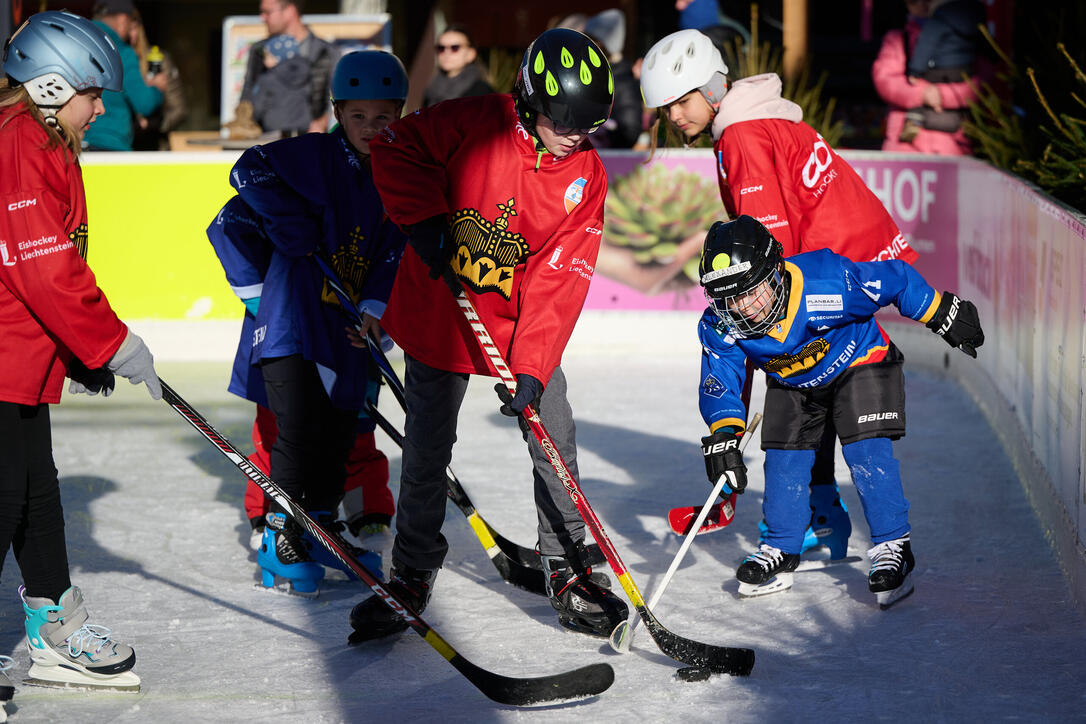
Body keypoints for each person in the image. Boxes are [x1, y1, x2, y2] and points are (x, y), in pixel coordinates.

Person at [348, 27, 629, 642]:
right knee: (426, 449)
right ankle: (414, 570)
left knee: (553, 430)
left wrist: (531, 365)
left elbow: (560, 278)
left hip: (518, 323)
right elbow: (394, 147)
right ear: (532, 102)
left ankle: (566, 562)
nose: (577, 137)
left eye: (588, 126)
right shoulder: (473, 122)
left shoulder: (586, 177)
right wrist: (426, 222)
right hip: (441, 314)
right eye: (564, 122)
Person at [640, 28, 921, 559]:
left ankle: (865, 531)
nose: (675, 116)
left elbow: (773, 248)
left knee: (811, 387)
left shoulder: (742, 136)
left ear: (710, 87)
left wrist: (778, 331)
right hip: (852, 262)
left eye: (681, 100)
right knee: (808, 387)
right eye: (665, 107)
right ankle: (828, 520)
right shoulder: (753, 120)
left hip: (843, 276)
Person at [696, 216, 983, 607]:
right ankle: (781, 547)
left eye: (751, 292)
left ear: (775, 274)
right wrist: (723, 434)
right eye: (728, 297)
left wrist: (941, 313)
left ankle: (893, 547)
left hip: (860, 361)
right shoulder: (720, 324)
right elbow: (720, 379)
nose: (742, 307)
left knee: (866, 453)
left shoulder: (827, 283)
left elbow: (896, 279)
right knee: (782, 461)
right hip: (793, 381)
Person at [0, 10, 163, 692]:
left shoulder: (46, 145)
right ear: (46, 88)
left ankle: (55, 628)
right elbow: (46, 268)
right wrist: (109, 341)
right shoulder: (21, 149)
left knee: (37, 494)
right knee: (7, 495)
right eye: (92, 94)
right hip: (4, 357)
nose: (101, 108)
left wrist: (78, 352)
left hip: (24, 358)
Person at [208, 50, 408, 595]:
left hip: (344, 331)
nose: (371, 128)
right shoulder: (314, 156)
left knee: (339, 434)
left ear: (399, 115)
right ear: (339, 112)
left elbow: (393, 255)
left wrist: (372, 315)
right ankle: (281, 542)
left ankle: (318, 530)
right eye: (359, 116)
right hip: (292, 325)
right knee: (296, 437)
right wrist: (283, 220)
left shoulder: (396, 177)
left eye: (383, 117)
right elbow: (244, 172)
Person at [872, 0, 982, 155]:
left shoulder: (966, 38)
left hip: (952, 143)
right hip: (905, 142)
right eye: (914, 2)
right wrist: (923, 94)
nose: (922, 5)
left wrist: (943, 95)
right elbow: (884, 81)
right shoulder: (898, 38)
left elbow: (982, 84)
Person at [234, 0, 336, 137]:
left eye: (267, 12)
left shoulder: (325, 52)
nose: (262, 17)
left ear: (290, 11)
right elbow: (247, 97)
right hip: (265, 142)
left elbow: (333, 100)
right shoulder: (259, 51)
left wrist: (320, 125)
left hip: (310, 142)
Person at [83, 0, 167, 151]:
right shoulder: (122, 51)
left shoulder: (77, 43)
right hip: (111, 145)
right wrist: (156, 88)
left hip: (77, 140)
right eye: (130, 23)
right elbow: (144, 103)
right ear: (122, 20)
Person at [128, 8, 187, 151]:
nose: (130, 34)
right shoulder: (108, 62)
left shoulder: (157, 61)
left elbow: (179, 109)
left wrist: (153, 124)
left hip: (154, 148)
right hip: (116, 145)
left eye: (133, 28)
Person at [583, 9, 642, 149]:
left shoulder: (622, 80)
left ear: (605, 45)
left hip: (608, 160)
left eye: (592, 42)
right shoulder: (593, 74)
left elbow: (630, 131)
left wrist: (601, 134)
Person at [420, 23, 494, 108]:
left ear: (471, 54)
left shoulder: (482, 93)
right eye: (441, 48)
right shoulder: (431, 89)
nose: (446, 53)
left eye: (455, 48)